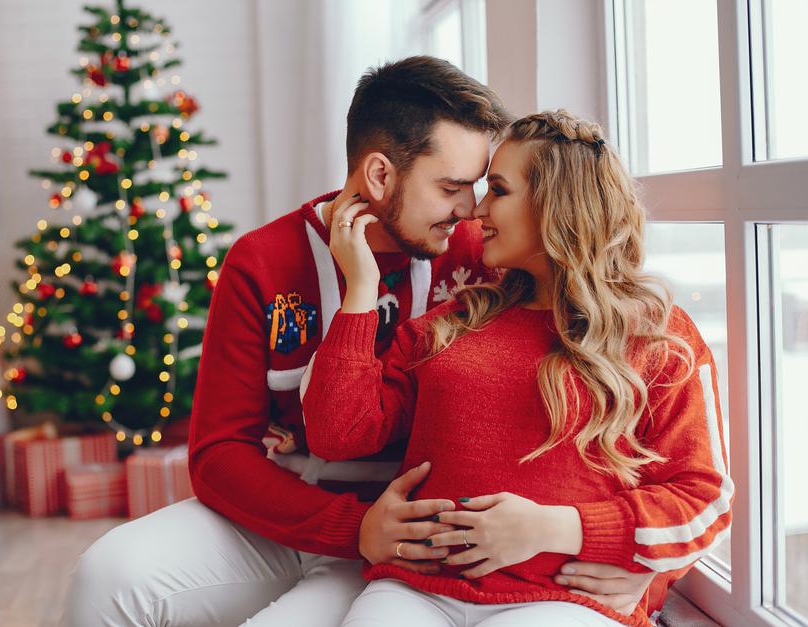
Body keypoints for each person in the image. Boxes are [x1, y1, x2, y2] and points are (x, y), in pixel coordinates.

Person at [62, 60, 655, 627]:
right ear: (379, 176)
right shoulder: (263, 261)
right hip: (292, 520)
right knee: (107, 574)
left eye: (478, 188)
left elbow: (609, 344)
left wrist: (651, 568)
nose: (470, 209)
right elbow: (217, 453)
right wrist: (352, 526)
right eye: (451, 186)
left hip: (417, 544)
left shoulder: (486, 252)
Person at [301, 109, 732, 627]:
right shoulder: (454, 320)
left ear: (558, 203)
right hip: (416, 589)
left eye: (498, 191)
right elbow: (336, 432)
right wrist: (360, 292)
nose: (476, 210)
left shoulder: (658, 336)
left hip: (561, 603)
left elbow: (703, 501)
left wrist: (556, 528)